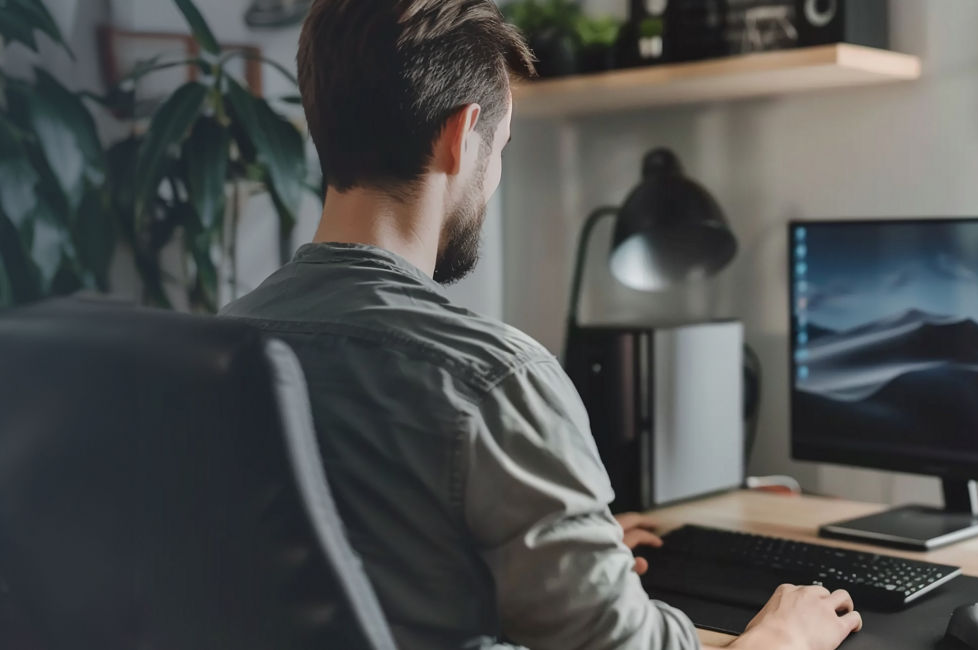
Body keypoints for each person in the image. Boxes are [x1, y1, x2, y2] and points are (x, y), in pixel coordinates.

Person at [221, 1, 863, 648]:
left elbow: (372, 569)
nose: (494, 176)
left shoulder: (219, 346)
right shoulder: (494, 380)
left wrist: (572, 555)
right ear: (458, 135)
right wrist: (787, 636)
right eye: (499, 148)